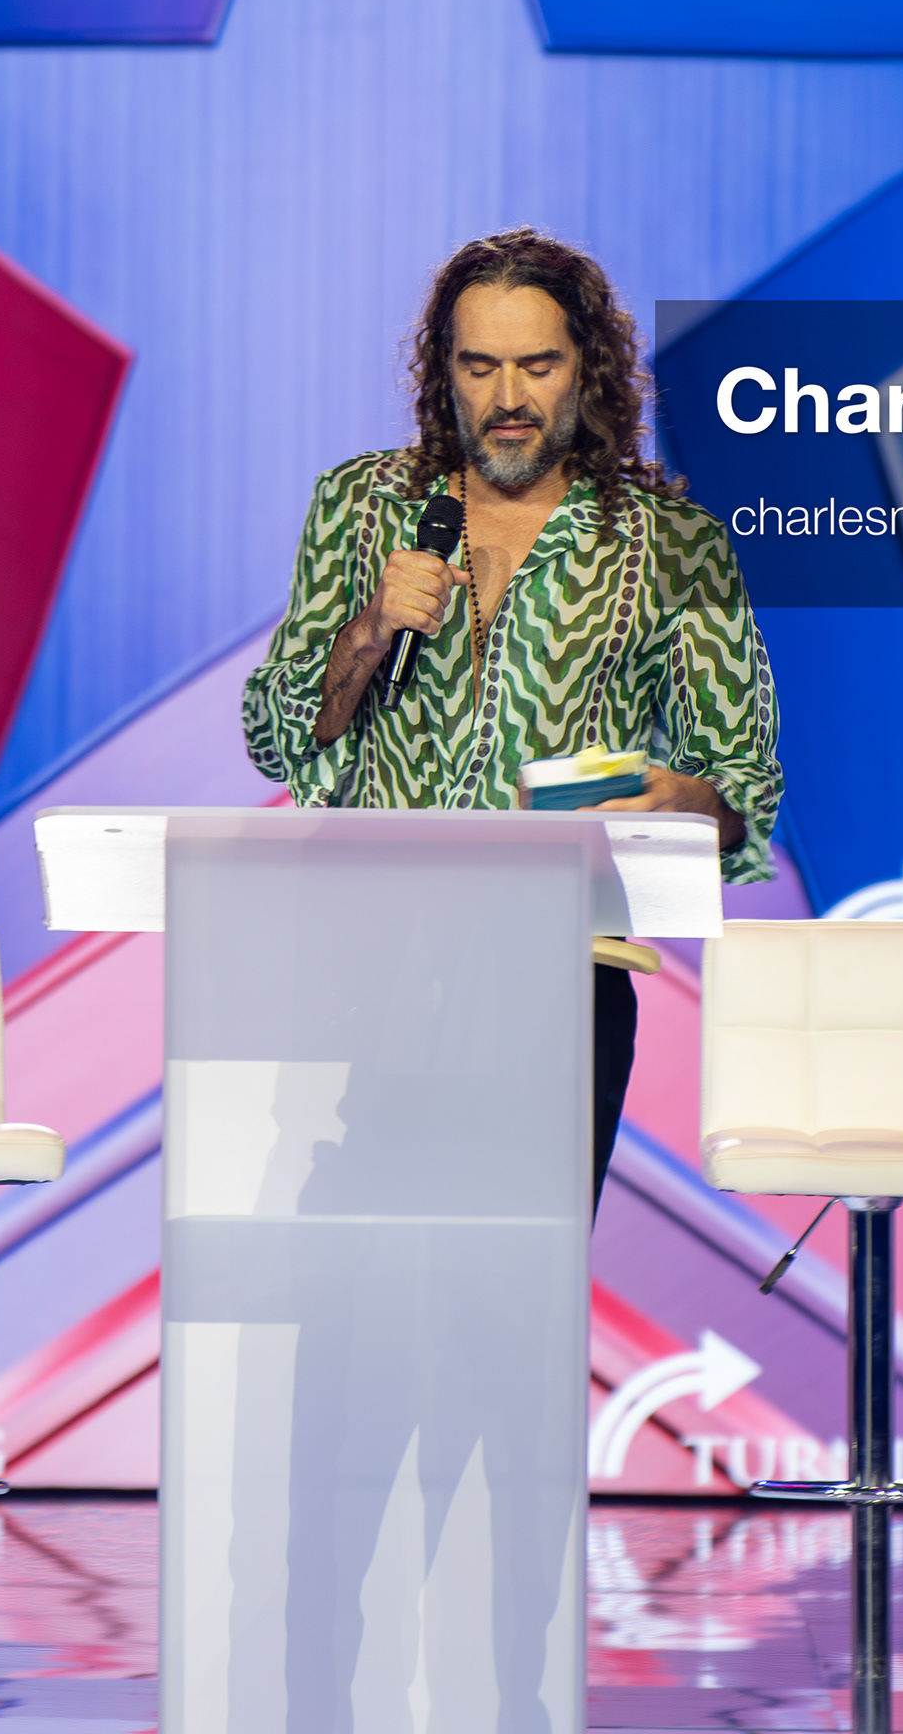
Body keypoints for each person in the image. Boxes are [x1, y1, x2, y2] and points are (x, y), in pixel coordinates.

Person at [241, 227, 782, 1204]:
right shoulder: (362, 505)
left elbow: (744, 783)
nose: (506, 398)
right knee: (342, 1294)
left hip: (560, 971)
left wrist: (683, 796)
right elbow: (277, 735)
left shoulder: (673, 545)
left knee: (510, 1309)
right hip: (371, 960)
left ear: (590, 368)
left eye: (538, 365)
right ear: (443, 369)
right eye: (479, 365)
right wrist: (367, 631)